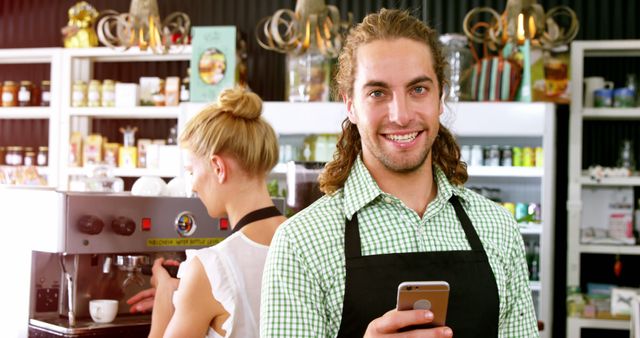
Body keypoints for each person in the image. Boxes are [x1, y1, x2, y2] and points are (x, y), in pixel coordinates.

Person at [261, 8, 538, 338]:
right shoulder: (301, 242)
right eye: (378, 93)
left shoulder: (498, 228)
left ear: (440, 97)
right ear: (350, 104)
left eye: (418, 89)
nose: (402, 115)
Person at [131, 87, 286, 338]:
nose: (191, 185)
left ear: (218, 167)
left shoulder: (211, 267)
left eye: (191, 170)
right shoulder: (306, 244)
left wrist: (164, 297)